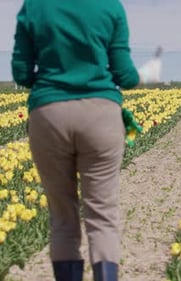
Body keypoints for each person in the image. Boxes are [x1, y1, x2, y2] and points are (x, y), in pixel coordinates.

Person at [11, 0, 140, 280]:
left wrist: (54, 81)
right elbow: (125, 75)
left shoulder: (34, 6)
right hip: (100, 114)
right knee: (102, 214)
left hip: (49, 115)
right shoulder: (110, 7)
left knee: (62, 216)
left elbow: (20, 73)